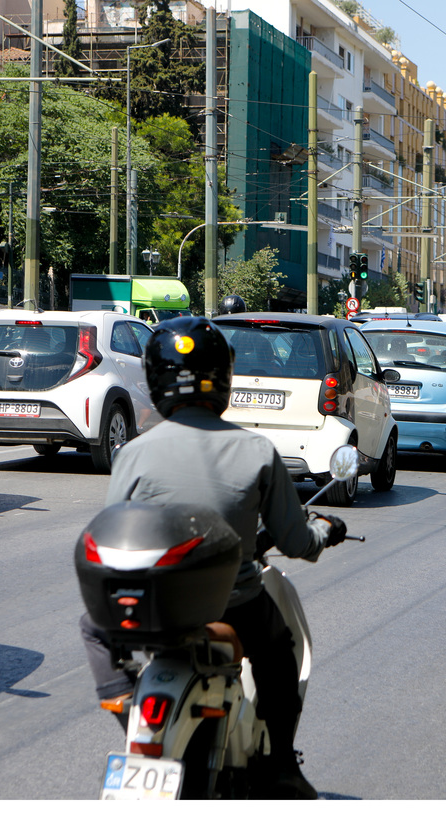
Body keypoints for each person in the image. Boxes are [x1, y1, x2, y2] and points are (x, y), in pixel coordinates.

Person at [78, 316, 346, 799]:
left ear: (156, 380)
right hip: (233, 607)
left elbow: (117, 531)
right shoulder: (257, 450)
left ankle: (123, 700)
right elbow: (295, 542)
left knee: (91, 624)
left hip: (147, 610)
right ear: (223, 379)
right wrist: (324, 533)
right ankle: (282, 763)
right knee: (278, 655)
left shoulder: (133, 454)